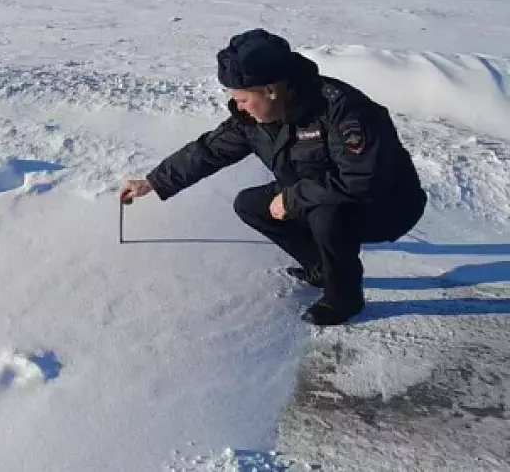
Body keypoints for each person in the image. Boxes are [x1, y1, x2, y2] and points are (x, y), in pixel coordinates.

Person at [119, 28, 427, 326]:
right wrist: (153, 182)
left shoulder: (342, 110)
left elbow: (362, 179)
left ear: (271, 90)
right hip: (317, 193)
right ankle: (321, 268)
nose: (238, 107)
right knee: (250, 205)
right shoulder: (256, 119)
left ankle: (344, 297)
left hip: (386, 206)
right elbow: (209, 150)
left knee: (325, 214)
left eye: (243, 99)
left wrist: (292, 198)